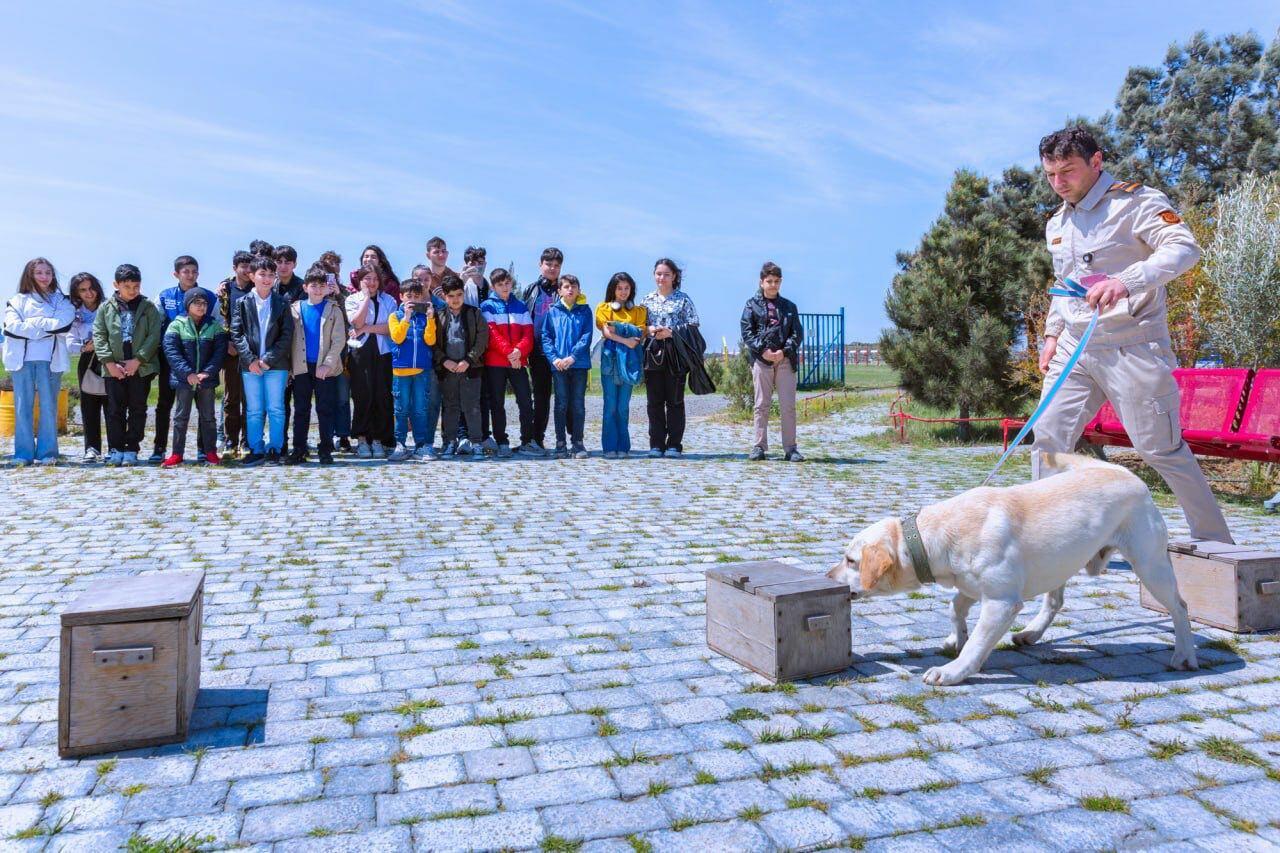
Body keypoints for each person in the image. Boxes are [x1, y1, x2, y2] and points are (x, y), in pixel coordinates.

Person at [1032, 125, 1232, 544]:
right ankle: (1050, 542)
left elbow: (1184, 248)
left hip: (1131, 345)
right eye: (1050, 175)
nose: (1058, 183)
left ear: (1096, 161)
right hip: (1075, 346)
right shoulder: (1058, 222)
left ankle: (1216, 543)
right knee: (1048, 438)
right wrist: (1051, 335)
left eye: (1067, 171)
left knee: (1160, 449)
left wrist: (1127, 280)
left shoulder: (1136, 203)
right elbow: (1065, 283)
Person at [4, 258, 75, 466]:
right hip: (22, 362)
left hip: (51, 362)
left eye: (48, 273)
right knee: (22, 408)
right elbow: (11, 327)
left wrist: (32, 324)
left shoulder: (61, 301)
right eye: (39, 273)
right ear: (30, 275)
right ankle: (23, 454)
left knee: (48, 407)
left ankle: (47, 453)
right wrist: (46, 327)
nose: (45, 277)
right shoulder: (16, 301)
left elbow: (64, 324)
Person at [93, 264, 162, 466]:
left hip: (140, 368)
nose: (132, 291)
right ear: (116, 285)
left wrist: (138, 360)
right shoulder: (105, 308)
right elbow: (99, 335)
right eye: (127, 286)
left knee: (138, 408)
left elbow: (154, 336)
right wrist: (109, 363)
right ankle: (115, 448)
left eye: (136, 286)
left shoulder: (148, 307)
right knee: (114, 409)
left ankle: (132, 448)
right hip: (113, 368)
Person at [230, 255, 293, 466]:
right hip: (250, 366)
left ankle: (275, 448)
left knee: (276, 408)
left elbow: (286, 334)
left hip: (276, 365)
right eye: (262, 274)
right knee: (254, 410)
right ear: (252, 276)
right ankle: (256, 449)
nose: (267, 279)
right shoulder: (241, 303)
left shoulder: (282, 302)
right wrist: (250, 359)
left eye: (271, 275)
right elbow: (237, 333)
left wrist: (268, 359)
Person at [741, 261, 804, 462]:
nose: (773, 285)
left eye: (776, 281)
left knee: (788, 406)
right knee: (761, 404)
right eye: (769, 281)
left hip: (785, 360)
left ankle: (791, 448)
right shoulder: (751, 305)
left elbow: (797, 333)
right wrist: (763, 350)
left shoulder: (789, 307)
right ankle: (759, 446)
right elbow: (747, 332)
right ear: (761, 282)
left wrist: (784, 351)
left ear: (781, 282)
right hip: (762, 360)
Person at [161, 287, 226, 467]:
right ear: (187, 305)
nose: (201, 306)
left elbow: (219, 352)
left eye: (204, 303)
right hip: (184, 380)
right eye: (196, 303)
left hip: (206, 381)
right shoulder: (176, 325)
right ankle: (177, 454)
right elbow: (171, 351)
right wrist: (187, 373)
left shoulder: (214, 326)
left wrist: (208, 372)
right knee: (181, 417)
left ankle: (210, 452)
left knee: (208, 417)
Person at [641, 258, 700, 458]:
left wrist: (672, 332)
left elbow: (693, 325)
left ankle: (674, 444)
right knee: (654, 401)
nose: (662, 278)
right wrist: (649, 329)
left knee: (675, 400)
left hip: (676, 353)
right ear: (654, 275)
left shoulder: (683, 299)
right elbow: (639, 325)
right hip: (653, 353)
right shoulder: (647, 300)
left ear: (674, 276)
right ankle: (656, 444)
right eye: (659, 274)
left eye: (666, 274)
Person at [289, 266, 347, 465]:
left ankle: (325, 449)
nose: (318, 289)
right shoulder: (295, 309)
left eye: (322, 286)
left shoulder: (333, 309)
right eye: (313, 285)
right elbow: (289, 339)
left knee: (325, 409)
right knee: (301, 409)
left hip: (325, 368)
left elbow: (339, 340)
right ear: (305, 287)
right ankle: (299, 449)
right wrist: (290, 368)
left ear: (327, 288)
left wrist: (327, 364)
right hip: (301, 367)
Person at [480, 267, 536, 457]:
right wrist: (510, 353)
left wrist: (519, 352)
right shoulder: (487, 306)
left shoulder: (521, 306)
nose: (505, 287)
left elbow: (528, 333)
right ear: (493, 286)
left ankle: (527, 441)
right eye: (500, 284)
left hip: (518, 362)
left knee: (526, 401)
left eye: (507, 283)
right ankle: (502, 441)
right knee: (497, 403)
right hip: (496, 363)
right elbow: (492, 334)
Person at [151, 254, 201, 462]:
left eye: (194, 271)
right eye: (185, 271)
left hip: (198, 360)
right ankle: (159, 448)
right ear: (176, 274)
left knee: (202, 406)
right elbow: (155, 325)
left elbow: (216, 324)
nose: (190, 275)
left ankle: (203, 449)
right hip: (170, 360)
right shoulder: (165, 296)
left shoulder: (207, 296)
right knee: (165, 403)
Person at [433, 274, 488, 456]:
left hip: (470, 369)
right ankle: (449, 442)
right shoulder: (438, 315)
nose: (455, 299)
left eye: (459, 295)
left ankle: (476, 442)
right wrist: (444, 360)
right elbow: (432, 343)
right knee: (450, 407)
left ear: (463, 294)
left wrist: (469, 360)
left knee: (472, 407)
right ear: (444, 296)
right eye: (451, 296)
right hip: (447, 369)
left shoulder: (475, 313)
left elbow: (482, 339)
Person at [345, 264, 397, 458]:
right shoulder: (352, 299)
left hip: (383, 352)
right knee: (362, 394)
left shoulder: (389, 300)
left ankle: (378, 439)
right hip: (360, 352)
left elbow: (390, 328)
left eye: (375, 279)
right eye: (367, 278)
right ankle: (362, 438)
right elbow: (356, 322)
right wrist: (366, 298)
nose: (372, 283)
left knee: (381, 395)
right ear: (360, 281)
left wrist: (366, 328)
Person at [521, 247, 568, 452]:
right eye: (548, 264)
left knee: (566, 397)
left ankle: (569, 440)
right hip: (537, 351)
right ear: (540, 265)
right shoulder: (531, 289)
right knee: (541, 397)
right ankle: (536, 439)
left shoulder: (566, 288)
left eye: (557, 265)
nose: (552, 268)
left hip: (560, 351)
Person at [541, 274, 593, 459]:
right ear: (559, 291)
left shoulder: (585, 310)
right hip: (559, 366)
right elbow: (546, 337)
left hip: (578, 364)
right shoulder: (552, 311)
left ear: (579, 290)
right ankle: (560, 443)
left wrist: (573, 357)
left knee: (578, 404)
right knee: (561, 404)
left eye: (574, 286)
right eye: (566, 286)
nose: (570, 289)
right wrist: (554, 359)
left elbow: (586, 336)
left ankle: (578, 443)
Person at [596, 272, 647, 458]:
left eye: (627, 288)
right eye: (619, 288)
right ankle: (609, 447)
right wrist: (626, 338)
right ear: (613, 289)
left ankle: (623, 446)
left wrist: (618, 328)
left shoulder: (639, 311)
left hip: (629, 361)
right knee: (610, 405)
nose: (623, 292)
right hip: (610, 360)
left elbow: (640, 333)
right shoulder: (603, 308)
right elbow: (606, 331)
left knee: (623, 406)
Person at [387, 281, 438, 461]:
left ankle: (421, 445)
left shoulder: (424, 317)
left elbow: (431, 341)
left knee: (420, 409)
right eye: (409, 296)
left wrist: (430, 319)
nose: (413, 300)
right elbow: (397, 337)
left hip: (421, 370)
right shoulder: (395, 316)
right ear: (401, 297)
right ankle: (400, 444)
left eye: (417, 297)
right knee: (401, 410)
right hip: (401, 371)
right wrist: (406, 318)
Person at [217, 249, 255, 456]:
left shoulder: (256, 289)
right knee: (231, 398)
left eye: (250, 267)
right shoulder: (225, 290)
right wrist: (226, 343)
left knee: (250, 399)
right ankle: (230, 441)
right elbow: (219, 319)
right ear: (235, 268)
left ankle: (247, 441)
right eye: (243, 267)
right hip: (231, 351)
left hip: (252, 351)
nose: (247, 270)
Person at [67, 271, 108, 462]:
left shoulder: (109, 307)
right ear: (77, 293)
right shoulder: (74, 314)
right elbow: (70, 343)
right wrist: (84, 347)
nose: (89, 293)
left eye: (91, 288)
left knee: (113, 406)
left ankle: (115, 447)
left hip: (111, 358)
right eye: (83, 290)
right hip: (88, 359)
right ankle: (92, 448)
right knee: (89, 407)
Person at [316, 250, 354, 452]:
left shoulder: (345, 291)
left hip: (342, 351)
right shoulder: (314, 288)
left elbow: (351, 317)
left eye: (335, 264)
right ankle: (326, 436)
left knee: (342, 395)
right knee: (324, 397)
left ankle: (343, 435)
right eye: (327, 264)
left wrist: (338, 294)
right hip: (319, 350)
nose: (332, 267)